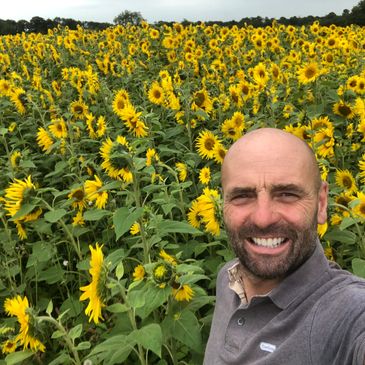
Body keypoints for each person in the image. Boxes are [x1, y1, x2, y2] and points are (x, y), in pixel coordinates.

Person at [203, 128, 365, 365]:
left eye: (287, 194)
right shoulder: (228, 279)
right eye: (242, 196)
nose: (263, 218)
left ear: (321, 204)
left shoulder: (348, 314)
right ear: (223, 204)